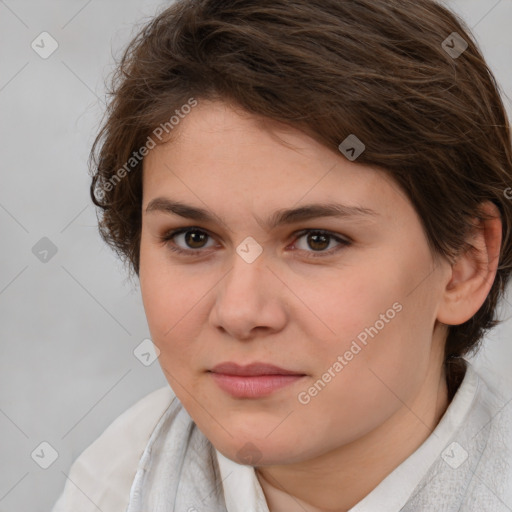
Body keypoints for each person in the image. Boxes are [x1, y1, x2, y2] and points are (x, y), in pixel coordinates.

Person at [52, 0, 512, 510]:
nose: (240, 312)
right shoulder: (114, 481)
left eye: (318, 240)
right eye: (193, 238)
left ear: (465, 266)